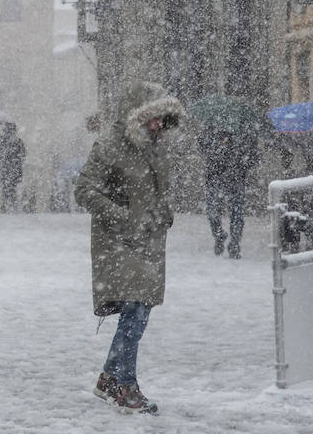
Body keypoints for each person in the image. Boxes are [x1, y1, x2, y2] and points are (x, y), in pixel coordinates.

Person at [74, 80, 186, 413]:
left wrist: (165, 211)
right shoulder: (111, 145)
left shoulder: (155, 146)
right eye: (151, 118)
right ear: (135, 116)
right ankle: (125, 385)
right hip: (119, 241)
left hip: (149, 240)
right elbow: (84, 190)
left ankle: (109, 377)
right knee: (135, 313)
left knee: (140, 310)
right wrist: (121, 215)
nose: (157, 125)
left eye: (162, 118)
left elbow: (157, 188)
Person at [196, 124, 258, 259]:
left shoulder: (245, 132)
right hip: (214, 177)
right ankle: (219, 235)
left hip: (236, 180)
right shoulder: (212, 129)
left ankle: (235, 244)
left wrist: (241, 164)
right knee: (212, 212)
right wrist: (218, 148)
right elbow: (201, 146)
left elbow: (254, 156)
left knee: (237, 215)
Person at [0, 124, 26, 213]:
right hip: (14, 169)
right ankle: (11, 205)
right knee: (11, 188)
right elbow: (23, 154)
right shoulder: (18, 141)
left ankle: (6, 205)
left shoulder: (3, 141)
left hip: (7, 169)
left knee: (7, 188)